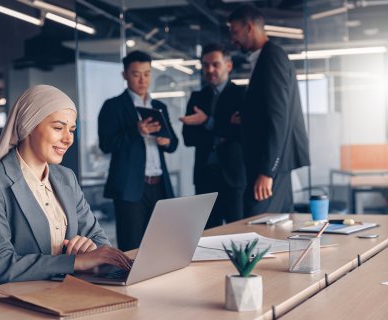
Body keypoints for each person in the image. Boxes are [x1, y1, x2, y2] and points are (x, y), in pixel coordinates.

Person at [0, 85, 131, 290]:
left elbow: (99, 239)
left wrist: (90, 249)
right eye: (58, 127)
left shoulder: (66, 178)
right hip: (5, 299)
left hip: (60, 292)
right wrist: (75, 262)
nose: (68, 138)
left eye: (71, 130)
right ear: (29, 125)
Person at [228, 4, 310, 216]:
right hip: (271, 164)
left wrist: (267, 171)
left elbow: (279, 118)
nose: (232, 39)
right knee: (277, 228)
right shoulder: (265, 57)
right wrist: (246, 118)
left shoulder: (271, 57)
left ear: (249, 28)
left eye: (234, 31)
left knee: (256, 229)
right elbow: (267, 112)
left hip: (269, 166)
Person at [98, 50, 178, 251]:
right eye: (136, 74)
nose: (143, 80)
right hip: (130, 189)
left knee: (162, 245)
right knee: (132, 247)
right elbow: (106, 144)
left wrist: (165, 141)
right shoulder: (113, 106)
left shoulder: (158, 106)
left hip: (159, 186)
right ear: (124, 75)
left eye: (147, 73)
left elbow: (174, 143)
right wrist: (136, 132)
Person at [180, 43, 246, 228]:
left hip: (233, 177)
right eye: (205, 65)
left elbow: (243, 134)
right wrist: (226, 127)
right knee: (207, 234)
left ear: (228, 66)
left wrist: (207, 122)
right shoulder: (196, 98)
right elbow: (188, 138)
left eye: (215, 64)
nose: (210, 69)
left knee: (237, 232)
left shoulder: (242, 95)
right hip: (204, 177)